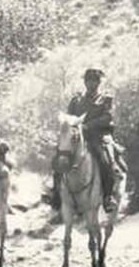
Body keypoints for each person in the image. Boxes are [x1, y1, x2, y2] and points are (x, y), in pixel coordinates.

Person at [52, 68, 123, 214]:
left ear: (99, 82)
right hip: (77, 137)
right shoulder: (76, 99)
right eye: (88, 81)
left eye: (95, 81)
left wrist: (88, 126)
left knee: (105, 161)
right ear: (85, 82)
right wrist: (69, 125)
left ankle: (108, 196)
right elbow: (69, 117)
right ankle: (56, 195)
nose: (91, 84)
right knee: (60, 157)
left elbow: (108, 117)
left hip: (98, 137)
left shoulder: (105, 99)